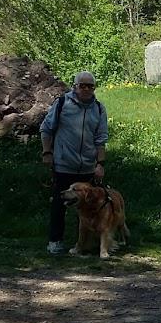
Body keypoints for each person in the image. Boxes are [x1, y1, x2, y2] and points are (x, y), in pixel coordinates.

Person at [40, 70, 108, 255]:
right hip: (64, 164)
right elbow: (46, 129)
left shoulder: (99, 109)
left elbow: (100, 139)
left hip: (87, 167)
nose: (86, 89)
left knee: (91, 207)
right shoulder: (62, 104)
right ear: (75, 86)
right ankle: (55, 241)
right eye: (82, 85)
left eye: (90, 86)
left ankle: (87, 243)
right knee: (59, 204)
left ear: (94, 88)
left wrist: (100, 164)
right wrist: (47, 152)